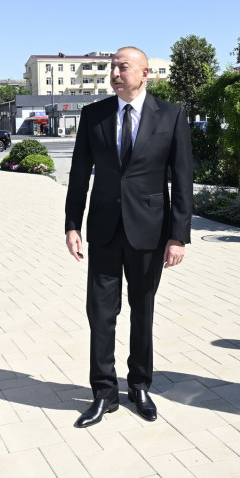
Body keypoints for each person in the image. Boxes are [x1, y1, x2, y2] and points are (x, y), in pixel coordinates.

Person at [65, 46, 193, 428]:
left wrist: (178, 236)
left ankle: (139, 385)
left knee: (142, 310)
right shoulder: (94, 115)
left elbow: (182, 178)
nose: (115, 72)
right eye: (112, 66)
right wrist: (72, 225)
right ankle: (103, 393)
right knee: (101, 314)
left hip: (150, 232)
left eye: (123, 66)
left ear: (145, 73)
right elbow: (77, 175)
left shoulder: (171, 115)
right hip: (103, 230)